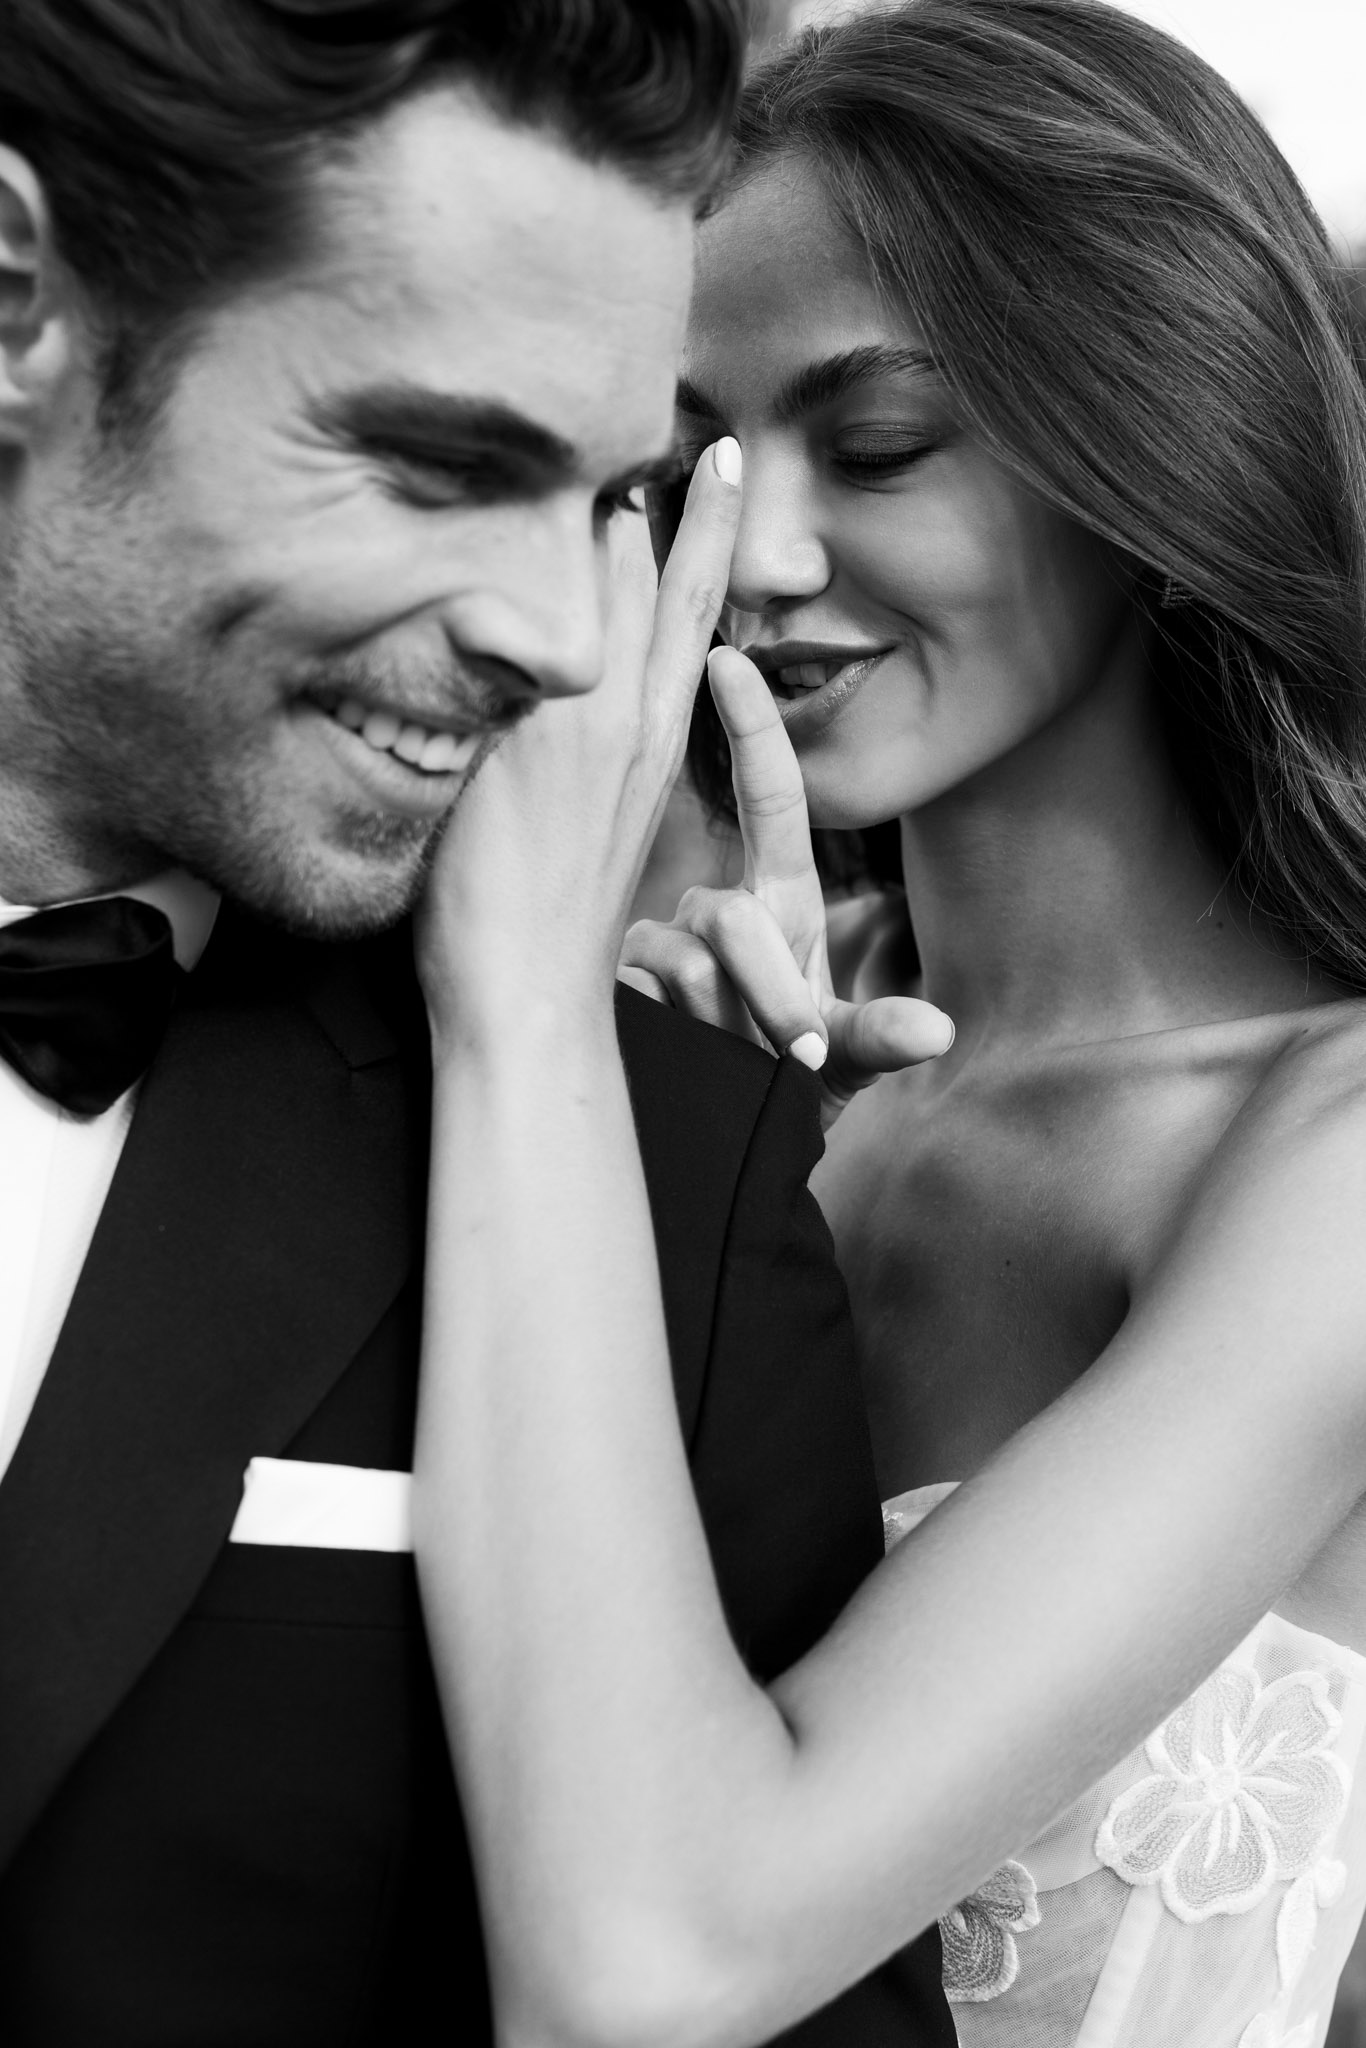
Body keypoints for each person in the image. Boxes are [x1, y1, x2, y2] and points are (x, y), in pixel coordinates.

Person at [0, 2, 960, 2041]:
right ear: (17, 310)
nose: (555, 632)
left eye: (606, 499)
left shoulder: (671, 1175)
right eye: (443, 464)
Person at [411, 3, 1366, 2045]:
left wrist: (526, 1032)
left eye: (878, 441)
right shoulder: (754, 1089)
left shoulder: (1332, 1160)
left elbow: (647, 1965)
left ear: (1151, 427)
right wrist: (667, 1158)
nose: (748, 559)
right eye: (687, 467)